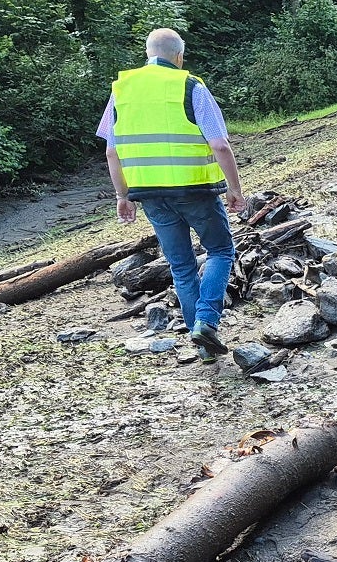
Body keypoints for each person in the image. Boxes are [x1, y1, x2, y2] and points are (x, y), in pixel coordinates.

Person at [99, 28, 244, 363]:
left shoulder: (121, 90)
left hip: (149, 194)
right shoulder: (190, 85)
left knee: (181, 266)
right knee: (221, 250)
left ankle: (203, 347)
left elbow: (111, 152)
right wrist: (235, 189)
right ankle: (207, 322)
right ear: (179, 55)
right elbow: (219, 144)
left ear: (148, 53)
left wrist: (122, 195)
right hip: (194, 189)